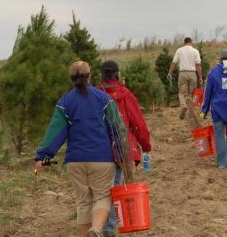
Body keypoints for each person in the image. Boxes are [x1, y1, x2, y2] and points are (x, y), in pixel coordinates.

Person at [34, 61, 116, 237]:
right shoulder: (104, 99)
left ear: (71, 79)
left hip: (75, 160)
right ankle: (96, 229)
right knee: (102, 197)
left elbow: (56, 131)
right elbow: (116, 128)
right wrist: (123, 154)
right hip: (102, 158)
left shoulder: (65, 101)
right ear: (90, 76)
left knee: (83, 202)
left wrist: (42, 155)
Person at [97, 60, 151, 237]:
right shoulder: (125, 94)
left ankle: (99, 225)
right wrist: (146, 146)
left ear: (102, 75)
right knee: (115, 187)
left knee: (99, 189)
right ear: (117, 75)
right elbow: (138, 124)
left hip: (97, 149)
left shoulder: (94, 95)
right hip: (121, 149)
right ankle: (107, 228)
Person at [167, 37, 203, 121]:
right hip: (192, 74)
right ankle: (191, 113)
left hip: (182, 74)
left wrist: (169, 73)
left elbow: (174, 63)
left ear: (184, 43)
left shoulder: (179, 50)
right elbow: (198, 65)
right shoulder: (195, 51)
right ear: (191, 42)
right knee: (192, 94)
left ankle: (183, 106)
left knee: (181, 93)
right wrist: (200, 77)